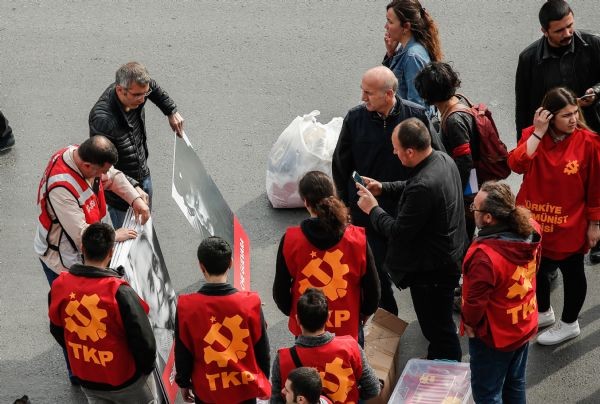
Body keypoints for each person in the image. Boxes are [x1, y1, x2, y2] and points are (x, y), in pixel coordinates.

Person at [356, 118, 467, 361]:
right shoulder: (441, 159)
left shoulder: (423, 187)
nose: (393, 152)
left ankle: (447, 367)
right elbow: (411, 185)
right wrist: (383, 188)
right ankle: (439, 356)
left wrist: (373, 209)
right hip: (448, 257)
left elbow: (397, 232)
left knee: (437, 327)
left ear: (410, 151)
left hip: (431, 271)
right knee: (439, 322)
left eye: (396, 148)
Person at [332, 65, 436, 315]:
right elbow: (341, 164)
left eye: (368, 93)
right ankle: (387, 316)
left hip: (407, 205)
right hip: (367, 210)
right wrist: (345, 204)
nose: (362, 98)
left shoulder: (416, 117)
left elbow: (435, 159)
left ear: (388, 95)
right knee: (375, 266)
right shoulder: (355, 118)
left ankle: (427, 311)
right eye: (362, 91)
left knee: (414, 264)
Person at [508, 87, 600, 345]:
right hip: (534, 223)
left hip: (569, 225)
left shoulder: (589, 143)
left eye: (574, 113)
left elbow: (596, 188)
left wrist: (595, 223)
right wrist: (537, 132)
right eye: (565, 115)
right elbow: (516, 165)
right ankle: (544, 312)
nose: (572, 119)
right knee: (536, 270)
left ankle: (569, 323)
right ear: (548, 116)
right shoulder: (532, 136)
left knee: (572, 273)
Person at [48, 223, 157, 403]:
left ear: (82, 248)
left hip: (87, 377)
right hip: (126, 380)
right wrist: (145, 369)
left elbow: (57, 329)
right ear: (111, 253)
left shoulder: (60, 285)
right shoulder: (119, 292)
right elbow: (144, 340)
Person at [273, 171, 380, 344]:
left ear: (306, 202)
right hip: (348, 329)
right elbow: (372, 288)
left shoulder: (291, 240)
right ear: (333, 196)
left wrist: (296, 312)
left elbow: (280, 291)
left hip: (307, 329)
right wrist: (362, 315)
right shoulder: (357, 239)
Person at [460, 182, 542, 403]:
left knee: (487, 392)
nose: (472, 211)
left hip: (495, 335)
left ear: (488, 218)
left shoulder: (485, 256)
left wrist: (469, 323)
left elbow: (475, 305)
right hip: (522, 322)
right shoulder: (531, 228)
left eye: (475, 208)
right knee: (515, 382)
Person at [35, 135, 150, 284]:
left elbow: (112, 176)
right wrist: (113, 236)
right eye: (101, 171)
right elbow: (82, 235)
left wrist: (135, 199)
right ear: (87, 166)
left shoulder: (81, 155)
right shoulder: (61, 189)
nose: (104, 176)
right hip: (63, 261)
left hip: (80, 248)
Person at [175, 236, 271, 403]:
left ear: (201, 266)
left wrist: (183, 382)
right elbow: (262, 349)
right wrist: (262, 379)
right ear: (231, 263)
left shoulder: (186, 306)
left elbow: (183, 352)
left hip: (207, 392)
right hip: (244, 389)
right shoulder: (251, 303)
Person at [89, 61, 184, 228]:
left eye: (144, 94)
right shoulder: (103, 119)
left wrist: (171, 111)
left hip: (143, 175)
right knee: (130, 241)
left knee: (144, 229)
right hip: (121, 193)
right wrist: (133, 189)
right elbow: (102, 165)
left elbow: (152, 87)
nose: (142, 100)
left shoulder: (135, 91)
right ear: (120, 90)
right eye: (137, 95)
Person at [270, 289, 381, 404]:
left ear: (298, 320)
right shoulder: (350, 347)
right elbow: (373, 388)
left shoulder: (283, 359)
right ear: (328, 317)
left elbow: (276, 401)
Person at [515, 0, 600, 140]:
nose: (567, 33)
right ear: (545, 31)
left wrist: (596, 92)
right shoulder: (529, 58)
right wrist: (524, 145)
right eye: (559, 30)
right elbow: (523, 109)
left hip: (593, 131)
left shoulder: (594, 44)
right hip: (553, 140)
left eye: (570, 26)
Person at [415, 61, 478, 238]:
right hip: (471, 184)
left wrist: (453, 195)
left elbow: (465, 162)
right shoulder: (461, 100)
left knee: (463, 235)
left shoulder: (453, 120)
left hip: (466, 190)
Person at [382, 0, 442, 110]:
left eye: (390, 22)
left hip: (410, 125)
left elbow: (417, 107)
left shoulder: (412, 56)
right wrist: (391, 53)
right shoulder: (404, 49)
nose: (386, 26)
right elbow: (386, 83)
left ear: (406, 27)